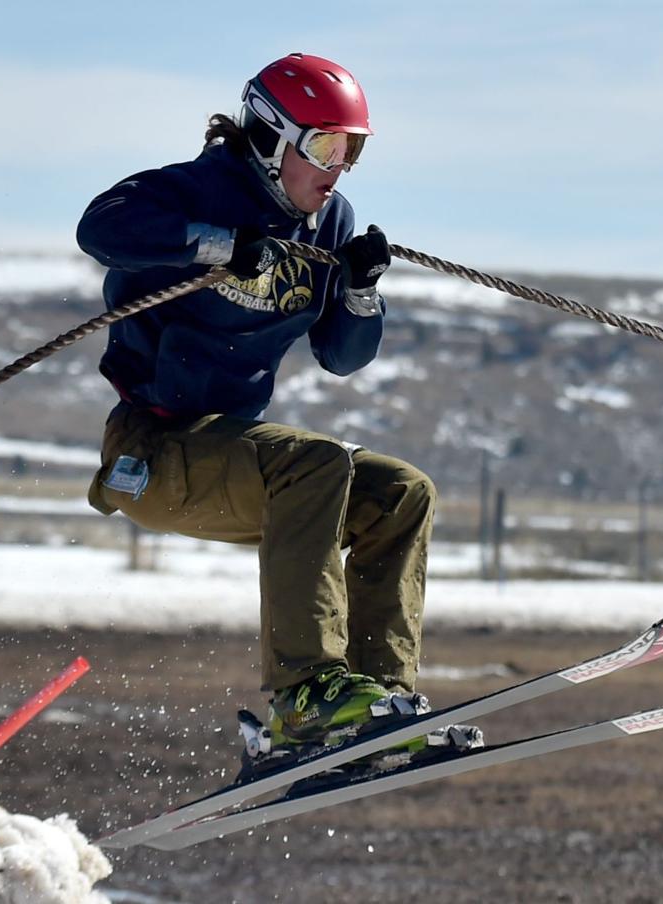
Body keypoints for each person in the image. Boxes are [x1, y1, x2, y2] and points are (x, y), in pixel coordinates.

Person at [77, 53, 435, 753]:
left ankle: (379, 704)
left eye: (353, 150)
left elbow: (343, 357)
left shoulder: (328, 226)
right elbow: (101, 230)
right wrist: (214, 246)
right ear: (273, 139)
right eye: (327, 145)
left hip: (231, 453)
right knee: (319, 463)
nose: (339, 168)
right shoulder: (195, 189)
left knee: (401, 493)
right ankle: (307, 694)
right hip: (152, 450)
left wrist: (360, 294)